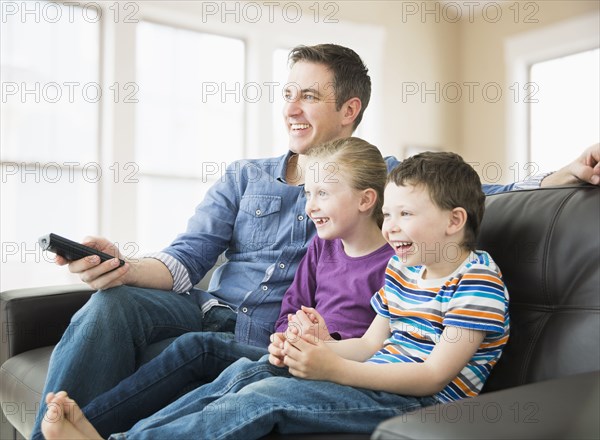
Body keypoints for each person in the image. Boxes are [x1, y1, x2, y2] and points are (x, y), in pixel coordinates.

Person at [31, 40, 600, 439]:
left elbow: (475, 192)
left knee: (249, 382)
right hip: (212, 311)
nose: (290, 109)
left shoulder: (388, 182)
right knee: (114, 302)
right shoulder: (244, 175)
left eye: (308, 96)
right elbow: (187, 258)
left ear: (349, 110)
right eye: (287, 93)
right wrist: (125, 267)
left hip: (282, 341)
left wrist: (563, 173)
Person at [41, 151, 510, 439]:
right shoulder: (404, 272)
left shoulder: (477, 283)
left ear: (455, 221)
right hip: (370, 374)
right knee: (249, 371)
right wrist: (315, 350)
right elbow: (370, 345)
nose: (390, 226)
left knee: (263, 398)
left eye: (404, 214)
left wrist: (335, 369)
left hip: (419, 406)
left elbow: (431, 377)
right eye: (391, 213)